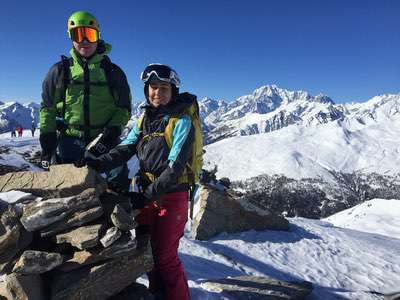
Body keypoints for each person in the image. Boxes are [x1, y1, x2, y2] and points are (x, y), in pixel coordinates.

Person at [83, 64, 196, 300]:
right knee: (147, 251)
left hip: (171, 195)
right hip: (147, 191)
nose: (157, 92)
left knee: (165, 256)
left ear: (173, 90)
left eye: (163, 88)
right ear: (146, 90)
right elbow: (125, 148)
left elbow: (174, 168)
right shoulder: (145, 117)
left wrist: (145, 196)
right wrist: (97, 164)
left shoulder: (181, 121)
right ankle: (156, 293)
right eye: (153, 87)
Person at [39, 11, 131, 192]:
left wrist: (112, 132)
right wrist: (47, 139)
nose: (84, 41)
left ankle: (119, 217)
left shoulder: (113, 72)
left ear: (98, 36)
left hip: (104, 138)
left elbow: (124, 108)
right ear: (70, 38)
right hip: (70, 138)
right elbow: (47, 107)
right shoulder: (59, 71)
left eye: (89, 34)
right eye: (77, 35)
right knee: (67, 187)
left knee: (117, 184)